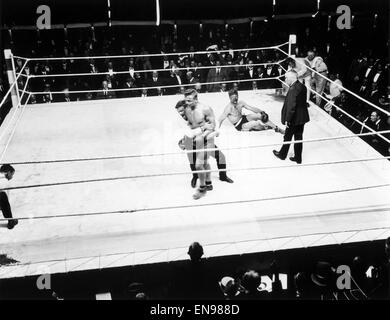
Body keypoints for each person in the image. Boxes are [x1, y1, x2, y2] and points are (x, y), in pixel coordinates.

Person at [175, 100, 233, 188]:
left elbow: (211, 124)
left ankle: (223, 176)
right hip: (191, 142)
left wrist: (214, 131)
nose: (181, 114)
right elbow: (189, 134)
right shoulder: (182, 122)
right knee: (192, 161)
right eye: (179, 112)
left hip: (204, 140)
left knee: (221, 157)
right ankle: (195, 177)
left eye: (182, 110)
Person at [182, 89, 217, 199]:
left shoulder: (205, 109)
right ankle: (208, 181)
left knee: (198, 165)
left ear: (196, 99)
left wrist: (202, 134)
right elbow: (191, 125)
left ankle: (202, 188)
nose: (187, 103)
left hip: (207, 139)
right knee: (204, 162)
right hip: (195, 139)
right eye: (186, 100)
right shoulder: (187, 109)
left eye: (189, 100)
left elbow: (212, 126)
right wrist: (186, 138)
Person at [273, 70, 310, 164]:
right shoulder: (302, 86)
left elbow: (291, 106)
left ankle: (282, 155)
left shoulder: (293, 89)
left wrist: (287, 119)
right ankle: (298, 158)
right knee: (298, 137)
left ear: (291, 78)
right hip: (302, 117)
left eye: (286, 78)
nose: (285, 79)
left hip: (294, 118)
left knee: (287, 137)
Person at [218, 89, 284, 133]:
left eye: (236, 97)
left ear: (238, 96)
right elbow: (220, 119)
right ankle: (266, 127)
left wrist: (262, 112)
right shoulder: (228, 108)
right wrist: (217, 130)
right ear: (229, 98)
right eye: (233, 98)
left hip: (243, 118)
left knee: (260, 116)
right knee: (255, 123)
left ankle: (276, 128)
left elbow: (251, 108)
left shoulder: (241, 103)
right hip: (239, 125)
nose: (235, 100)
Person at [0, 164, 18, 229]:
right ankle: (10, 221)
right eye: (12, 174)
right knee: (3, 196)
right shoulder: (4, 180)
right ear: (8, 172)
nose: (12, 177)